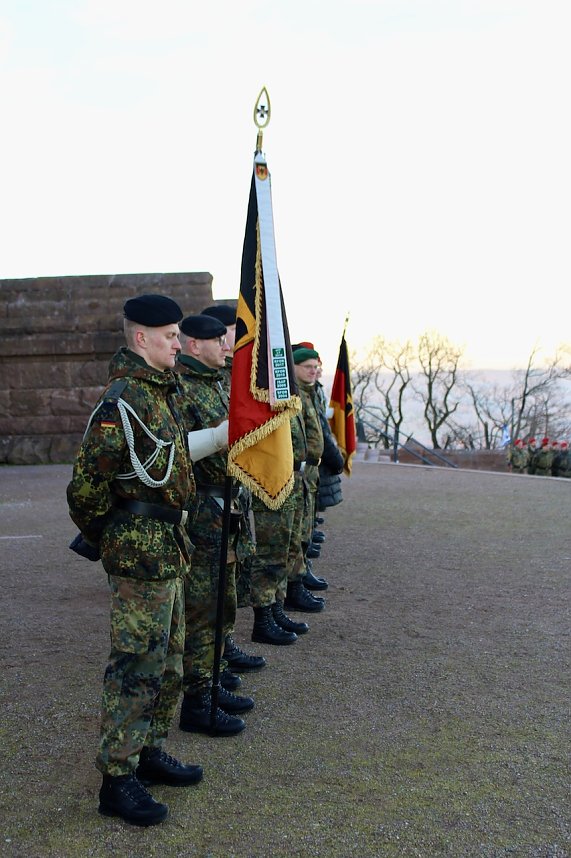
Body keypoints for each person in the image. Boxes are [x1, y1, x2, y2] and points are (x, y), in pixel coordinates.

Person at [67, 294, 202, 827]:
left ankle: (146, 752)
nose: (178, 342)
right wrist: (115, 534)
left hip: (168, 546)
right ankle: (117, 780)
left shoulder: (160, 395)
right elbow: (85, 490)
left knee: (167, 661)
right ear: (141, 338)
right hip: (139, 550)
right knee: (135, 664)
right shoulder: (122, 400)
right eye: (170, 335)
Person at [175, 314, 258, 737]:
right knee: (203, 611)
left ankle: (214, 680)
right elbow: (175, 452)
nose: (228, 347)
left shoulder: (217, 383)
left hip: (225, 509)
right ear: (195, 346)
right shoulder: (182, 388)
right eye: (219, 341)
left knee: (222, 606)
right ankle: (198, 701)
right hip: (203, 511)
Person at [200, 302, 267, 673]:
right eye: (231, 332)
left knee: (228, 583)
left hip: (231, 493)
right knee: (209, 590)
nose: (234, 342)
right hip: (206, 500)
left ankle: (224, 647)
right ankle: (210, 665)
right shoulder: (201, 382)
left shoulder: (225, 377)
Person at [249, 410, 312, 644]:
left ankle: (276, 609)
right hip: (272, 478)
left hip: (291, 477)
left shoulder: (286, 392)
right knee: (271, 554)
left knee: (288, 550)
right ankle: (263, 620)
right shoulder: (268, 389)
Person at [284, 346, 327, 613]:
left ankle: (298, 580)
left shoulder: (309, 393)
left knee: (304, 531)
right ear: (295, 368)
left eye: (315, 367)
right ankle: (292, 588)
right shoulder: (294, 395)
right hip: (294, 472)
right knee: (293, 537)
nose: (313, 371)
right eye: (307, 367)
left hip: (308, 471)